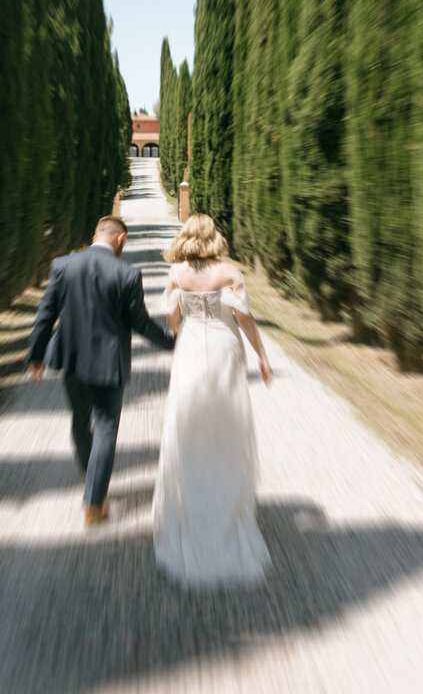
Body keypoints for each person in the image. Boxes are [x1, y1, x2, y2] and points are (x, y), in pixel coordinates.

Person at [26, 215, 175, 525]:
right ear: (120, 240)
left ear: (96, 235)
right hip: (109, 363)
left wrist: (36, 356)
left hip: (73, 360)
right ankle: (94, 504)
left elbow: (45, 315)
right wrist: (172, 342)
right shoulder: (128, 273)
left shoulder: (62, 266)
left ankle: (88, 475)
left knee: (80, 421)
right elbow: (141, 323)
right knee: (106, 427)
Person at [153, 213, 272, 585]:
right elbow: (245, 319)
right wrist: (262, 356)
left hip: (190, 349)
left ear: (187, 236)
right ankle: (227, 508)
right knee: (226, 427)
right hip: (224, 348)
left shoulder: (176, 274)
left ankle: (191, 507)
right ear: (214, 236)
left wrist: (184, 328)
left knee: (187, 427)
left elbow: (172, 321)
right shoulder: (230, 273)